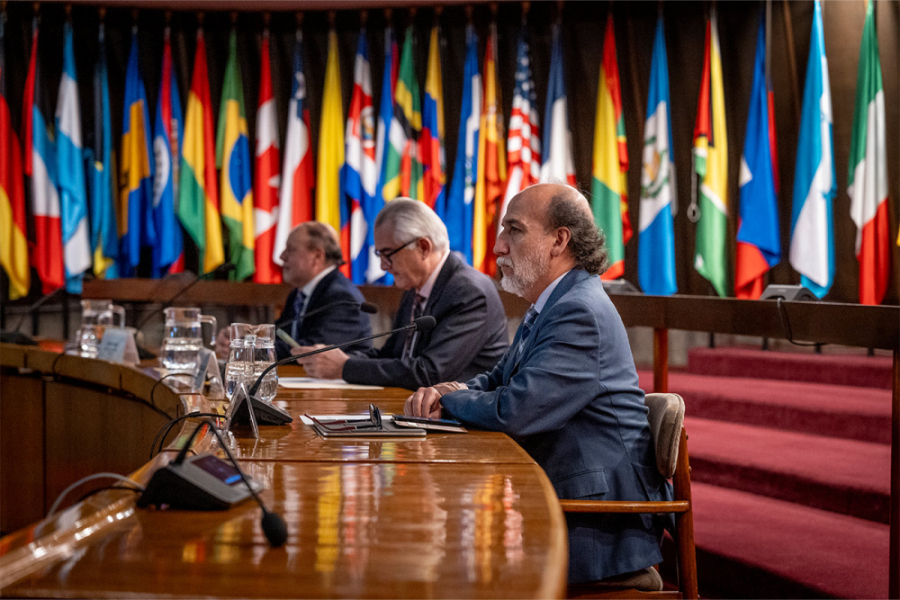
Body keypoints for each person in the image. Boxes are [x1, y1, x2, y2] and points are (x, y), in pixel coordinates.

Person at [404, 183, 671, 584]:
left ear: (558, 240)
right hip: (563, 501)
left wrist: (454, 400)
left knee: (446, 570)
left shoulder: (578, 311)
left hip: (598, 526)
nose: (498, 247)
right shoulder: (554, 303)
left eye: (514, 229)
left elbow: (516, 411)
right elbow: (497, 379)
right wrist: (448, 390)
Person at [295, 198, 508, 389]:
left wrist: (345, 367)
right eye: (379, 254)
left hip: (463, 421)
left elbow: (431, 372)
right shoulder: (414, 286)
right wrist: (335, 358)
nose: (383, 266)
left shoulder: (469, 291)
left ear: (423, 247)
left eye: (387, 254)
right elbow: (391, 355)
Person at [215, 222, 372, 361]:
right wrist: (242, 338)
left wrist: (247, 349)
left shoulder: (341, 297)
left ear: (317, 256)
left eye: (290, 250)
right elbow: (279, 336)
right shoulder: (298, 294)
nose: (282, 257)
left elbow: (310, 350)